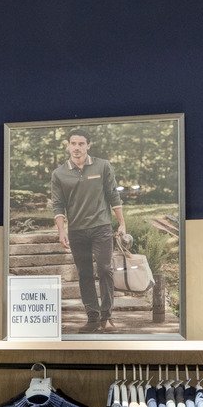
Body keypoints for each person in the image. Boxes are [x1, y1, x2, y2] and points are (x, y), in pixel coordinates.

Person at [50, 131, 128, 333]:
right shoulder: (59, 174)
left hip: (101, 227)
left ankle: (107, 317)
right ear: (67, 146)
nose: (77, 147)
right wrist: (62, 230)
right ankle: (92, 318)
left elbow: (113, 195)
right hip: (77, 231)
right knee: (84, 273)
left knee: (104, 269)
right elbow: (58, 205)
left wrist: (121, 223)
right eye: (73, 143)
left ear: (88, 146)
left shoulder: (102, 166)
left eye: (81, 144)